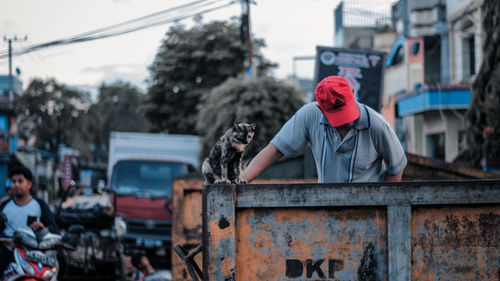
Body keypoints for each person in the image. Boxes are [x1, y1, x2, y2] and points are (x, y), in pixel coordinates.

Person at [241, 75, 407, 183]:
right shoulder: (309, 115)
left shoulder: (377, 125)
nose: (345, 123)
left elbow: (396, 168)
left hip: (369, 208)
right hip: (328, 206)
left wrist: (383, 206)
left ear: (353, 93)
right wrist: (242, 180)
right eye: (338, 117)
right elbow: (276, 150)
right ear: (321, 109)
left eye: (346, 114)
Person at [0, 166, 58, 274]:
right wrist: (8, 242)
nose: (16, 184)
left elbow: (53, 228)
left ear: (29, 184)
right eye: (14, 181)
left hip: (33, 256)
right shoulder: (5, 206)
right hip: (7, 255)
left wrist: (43, 228)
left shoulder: (40, 205)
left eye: (20, 181)